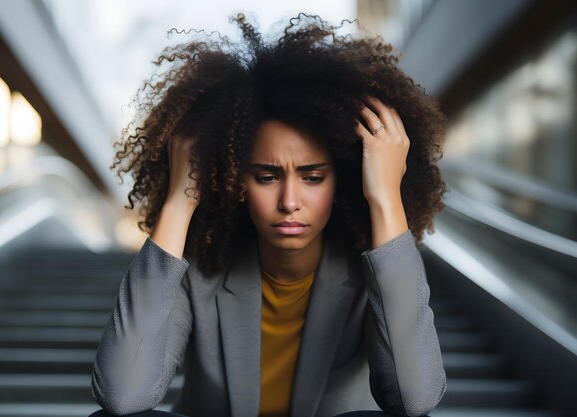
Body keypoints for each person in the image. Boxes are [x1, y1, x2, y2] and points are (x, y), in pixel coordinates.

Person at [90, 11, 448, 417]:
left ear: (343, 178)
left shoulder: (374, 270)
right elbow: (122, 394)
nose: (289, 200)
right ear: (234, 181)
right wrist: (180, 198)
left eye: (313, 177)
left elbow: (415, 397)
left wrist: (385, 196)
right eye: (266, 176)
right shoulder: (200, 269)